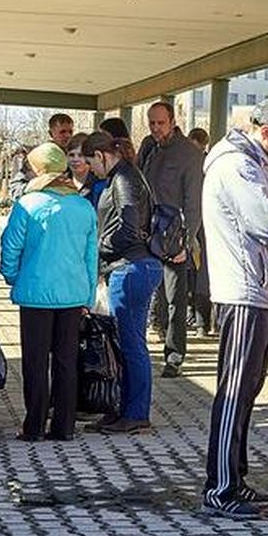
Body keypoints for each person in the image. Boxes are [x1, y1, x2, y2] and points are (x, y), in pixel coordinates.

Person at [200, 98, 268, 518]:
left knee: (247, 391)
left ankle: (235, 478)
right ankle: (221, 487)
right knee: (233, 393)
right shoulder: (237, 166)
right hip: (244, 291)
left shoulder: (257, 164)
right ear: (266, 133)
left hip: (261, 290)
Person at [0, 143, 99, 442]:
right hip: (73, 295)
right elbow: (90, 256)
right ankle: (64, 426)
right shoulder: (84, 206)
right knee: (67, 362)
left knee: (35, 361)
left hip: (35, 294)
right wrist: (88, 295)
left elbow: (10, 248)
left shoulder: (27, 205)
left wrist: (14, 278)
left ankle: (34, 426)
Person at [81, 131, 162, 435]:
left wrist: (98, 246)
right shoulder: (125, 175)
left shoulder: (124, 178)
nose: (91, 170)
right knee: (126, 343)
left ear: (101, 156)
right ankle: (125, 409)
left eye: (91, 163)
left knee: (131, 345)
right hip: (132, 266)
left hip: (131, 267)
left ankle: (136, 412)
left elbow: (129, 225)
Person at [138, 101, 205, 378]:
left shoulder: (189, 153)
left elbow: (194, 202)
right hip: (147, 231)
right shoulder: (148, 147)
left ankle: (174, 355)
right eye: (152, 123)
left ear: (173, 121)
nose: (155, 128)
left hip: (174, 233)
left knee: (175, 296)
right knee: (147, 293)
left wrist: (187, 241)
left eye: (160, 123)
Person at [187, 127, 214, 336]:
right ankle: (200, 321)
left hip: (197, 221)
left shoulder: (190, 163)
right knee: (202, 271)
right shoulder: (210, 165)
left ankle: (199, 320)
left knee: (198, 271)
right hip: (205, 222)